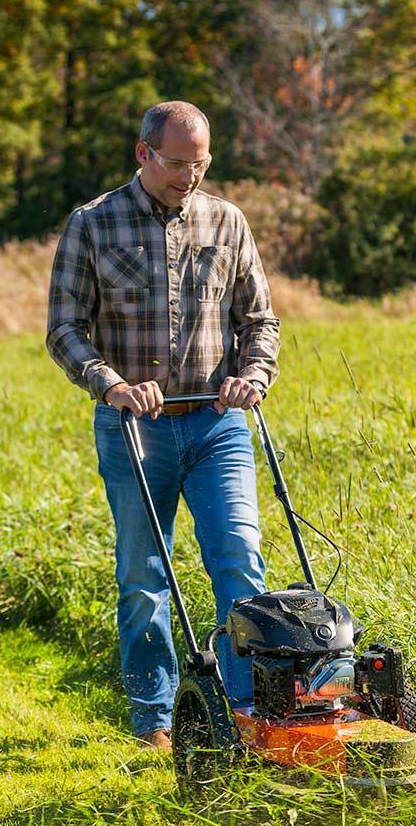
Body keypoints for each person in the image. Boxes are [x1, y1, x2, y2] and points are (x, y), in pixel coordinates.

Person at [46, 101, 280, 749]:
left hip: (215, 424)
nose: (190, 176)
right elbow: (65, 328)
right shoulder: (93, 224)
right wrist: (112, 384)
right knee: (145, 575)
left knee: (239, 564)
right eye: (178, 163)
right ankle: (155, 722)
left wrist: (252, 378)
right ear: (144, 154)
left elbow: (259, 320)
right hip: (135, 431)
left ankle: (246, 714)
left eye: (200, 163)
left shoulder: (227, 222)